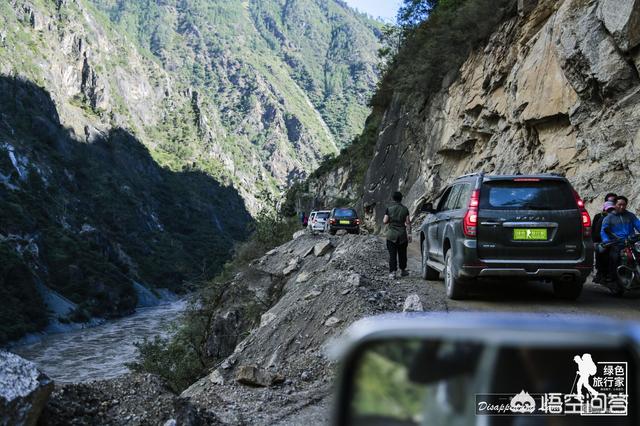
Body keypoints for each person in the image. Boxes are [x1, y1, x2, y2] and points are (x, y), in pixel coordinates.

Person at [601, 196, 640, 283]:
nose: (622, 207)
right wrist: (606, 241)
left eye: (624, 205)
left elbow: (638, 225)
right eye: (619, 204)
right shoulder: (608, 218)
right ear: (615, 205)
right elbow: (604, 231)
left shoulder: (631, 216)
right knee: (614, 257)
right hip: (617, 243)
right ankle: (613, 278)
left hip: (631, 242)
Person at [383, 191, 411, 279]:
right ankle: (403, 271)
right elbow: (408, 222)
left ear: (393, 199)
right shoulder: (405, 209)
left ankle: (393, 272)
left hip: (391, 235)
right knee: (402, 254)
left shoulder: (389, 209)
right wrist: (409, 234)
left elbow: (385, 221)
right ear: (401, 198)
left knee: (392, 254)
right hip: (402, 235)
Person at [592, 194, 617, 283]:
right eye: (609, 201)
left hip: (617, 241)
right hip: (603, 241)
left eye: (613, 201)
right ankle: (602, 273)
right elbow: (595, 231)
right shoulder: (599, 217)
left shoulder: (621, 216)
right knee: (602, 251)